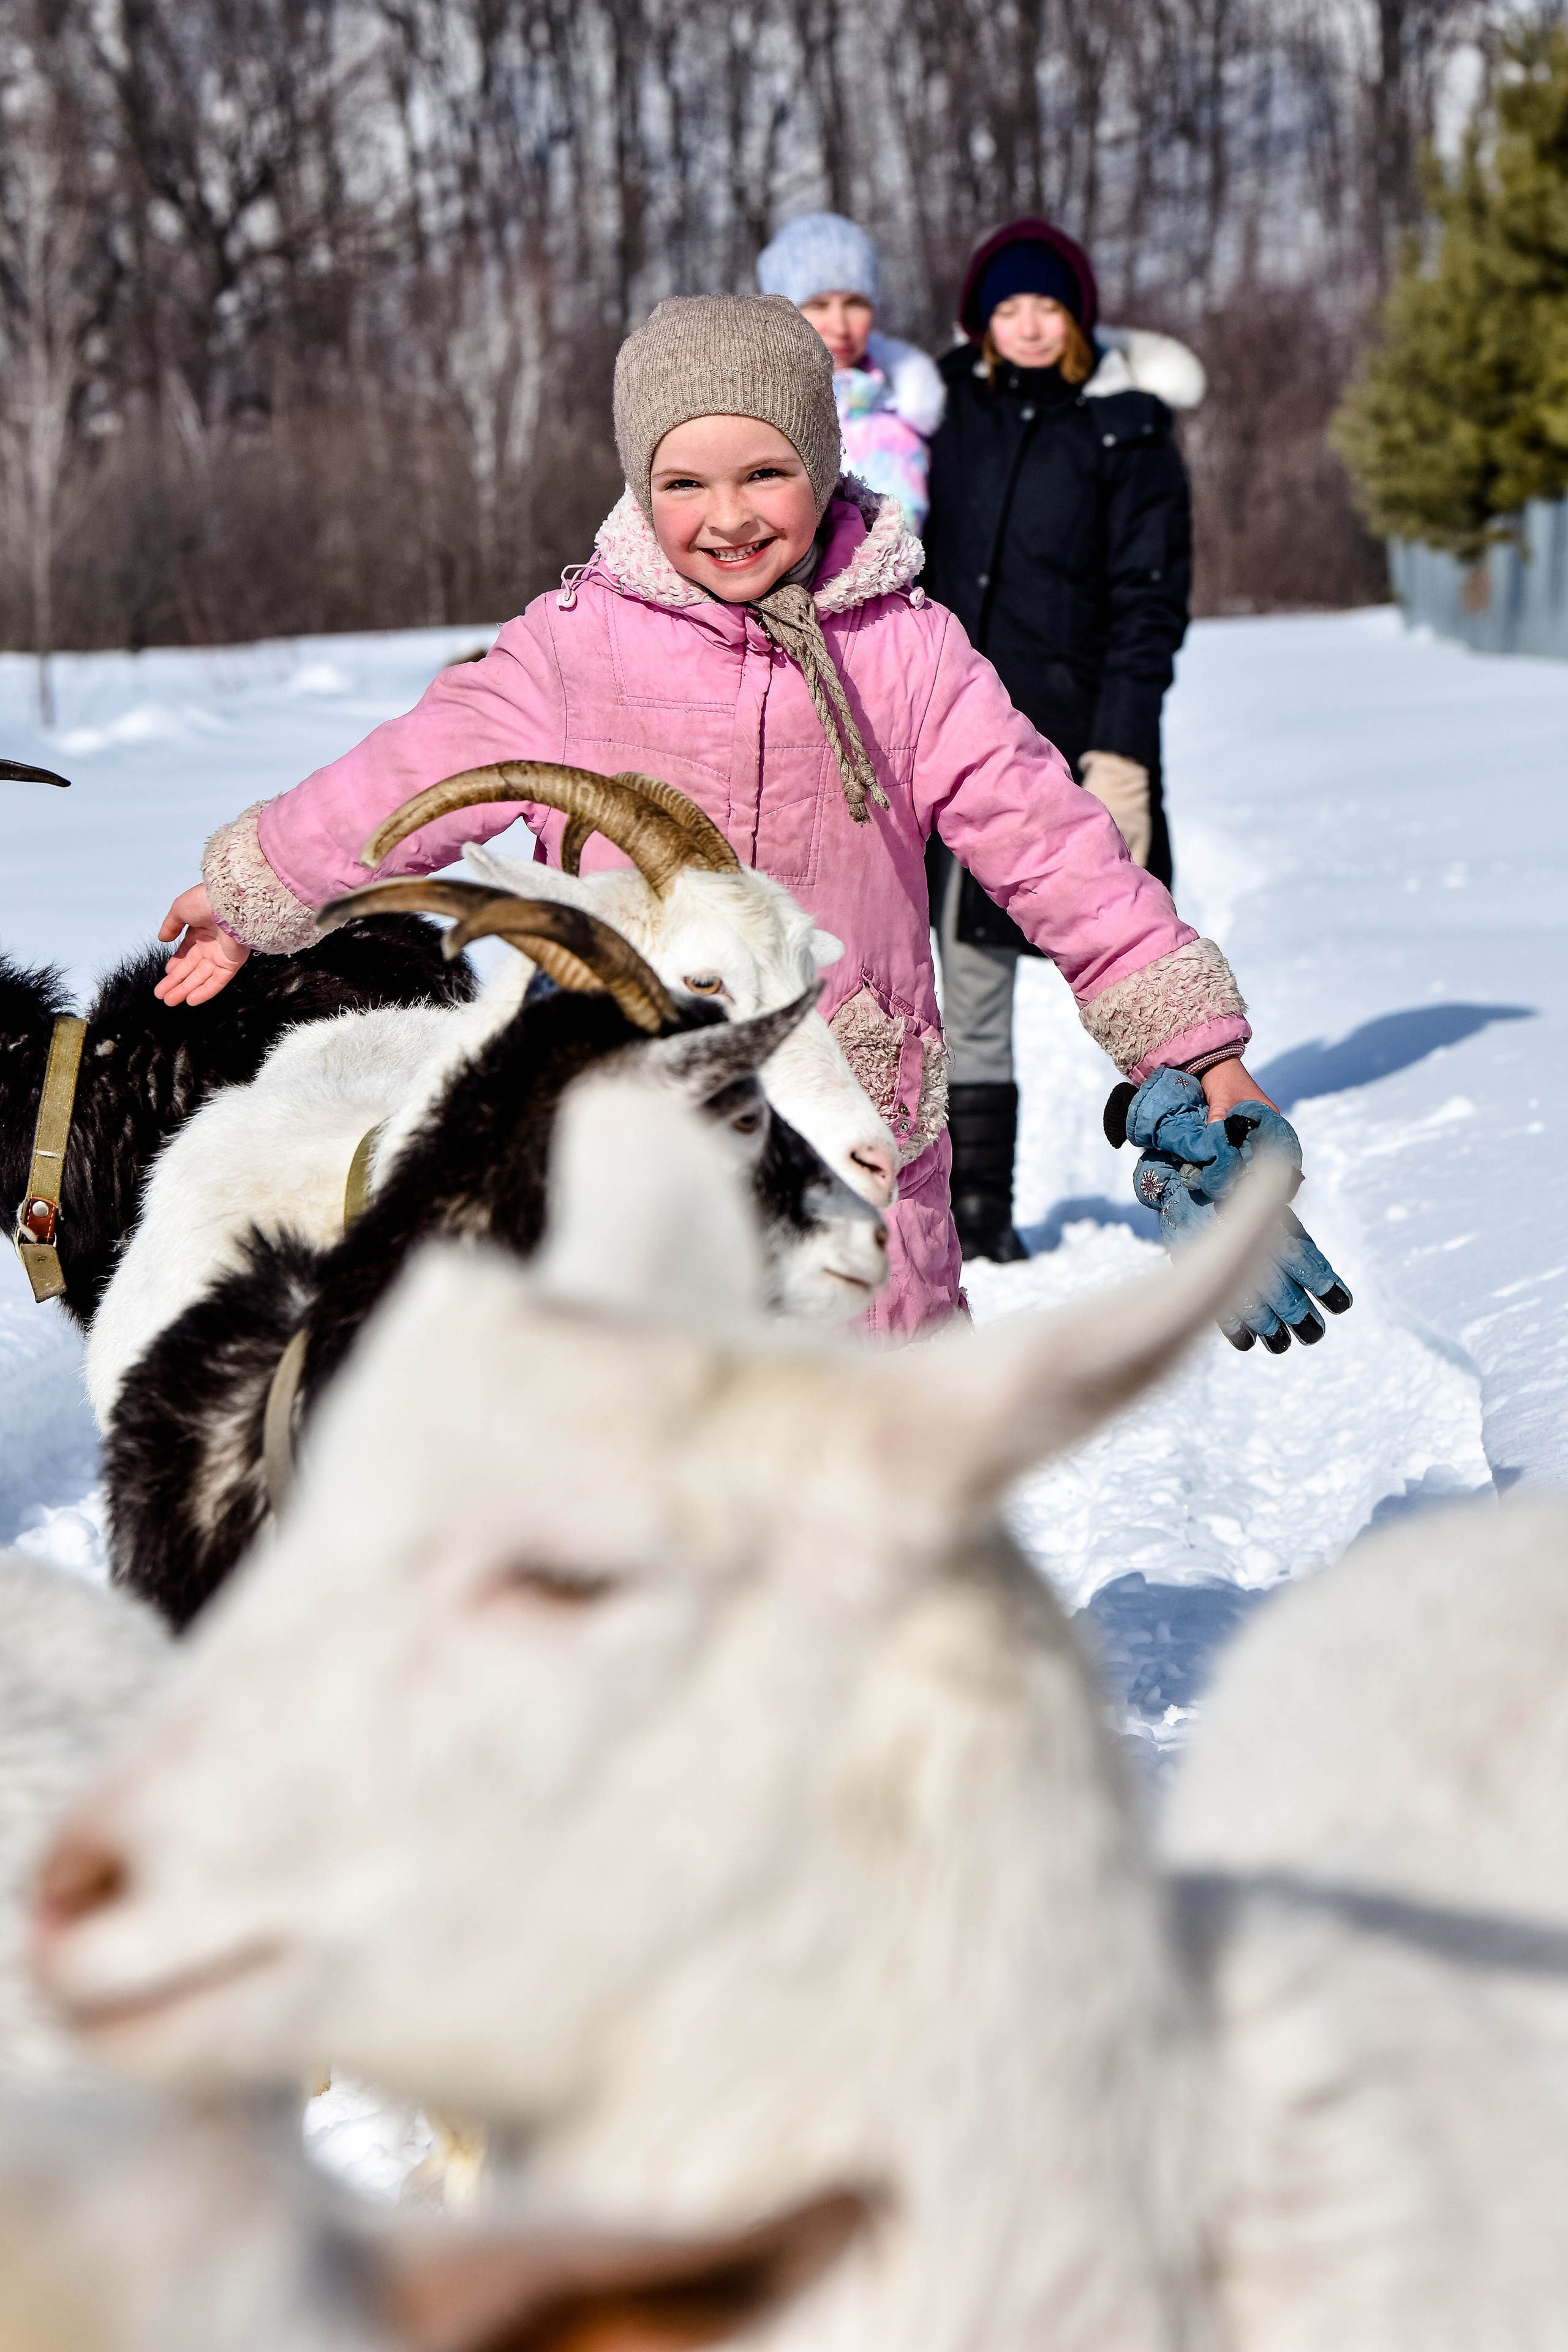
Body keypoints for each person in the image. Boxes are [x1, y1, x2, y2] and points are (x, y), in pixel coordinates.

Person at [153, 292, 1276, 1342]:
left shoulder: (905, 648)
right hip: (625, 1151)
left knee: (873, 1476)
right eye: (684, 483)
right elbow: (405, 784)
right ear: (641, 485)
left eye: (766, 473)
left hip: (850, 1133)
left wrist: (1194, 1045)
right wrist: (259, 887)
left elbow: (1048, 843)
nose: (728, 517)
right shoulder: (573, 647)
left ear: (826, 465)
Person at [922, 217, 1194, 1262]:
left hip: (1083, 745)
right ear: (980, 322)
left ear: (1079, 320)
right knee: (973, 980)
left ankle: (1193, 1173)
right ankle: (979, 1214)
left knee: (1129, 968)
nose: (1031, 326)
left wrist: (1120, 749)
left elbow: (1149, 606)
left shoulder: (1126, 431)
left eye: (1049, 307)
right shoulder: (950, 415)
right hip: (965, 745)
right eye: (1010, 308)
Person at [756, 211, 944, 532]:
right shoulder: (749, 416)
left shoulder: (912, 421)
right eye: (818, 304)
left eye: (855, 303)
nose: (841, 327)